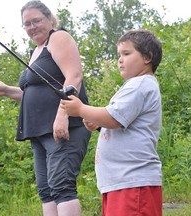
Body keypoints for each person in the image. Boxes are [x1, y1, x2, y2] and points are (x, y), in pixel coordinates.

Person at [0, 1, 91, 215]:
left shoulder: (59, 38)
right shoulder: (36, 51)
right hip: (39, 131)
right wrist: (7, 90)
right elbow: (33, 94)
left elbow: (74, 76)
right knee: (46, 190)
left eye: (37, 21)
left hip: (65, 126)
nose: (32, 27)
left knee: (62, 186)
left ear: (50, 19)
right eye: (27, 24)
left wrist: (62, 115)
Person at [60, 29, 163, 216]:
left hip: (133, 182)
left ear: (148, 57)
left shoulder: (140, 84)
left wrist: (81, 109)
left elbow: (113, 118)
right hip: (120, 182)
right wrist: (98, 123)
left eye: (126, 53)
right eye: (119, 55)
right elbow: (118, 120)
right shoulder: (136, 85)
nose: (120, 60)